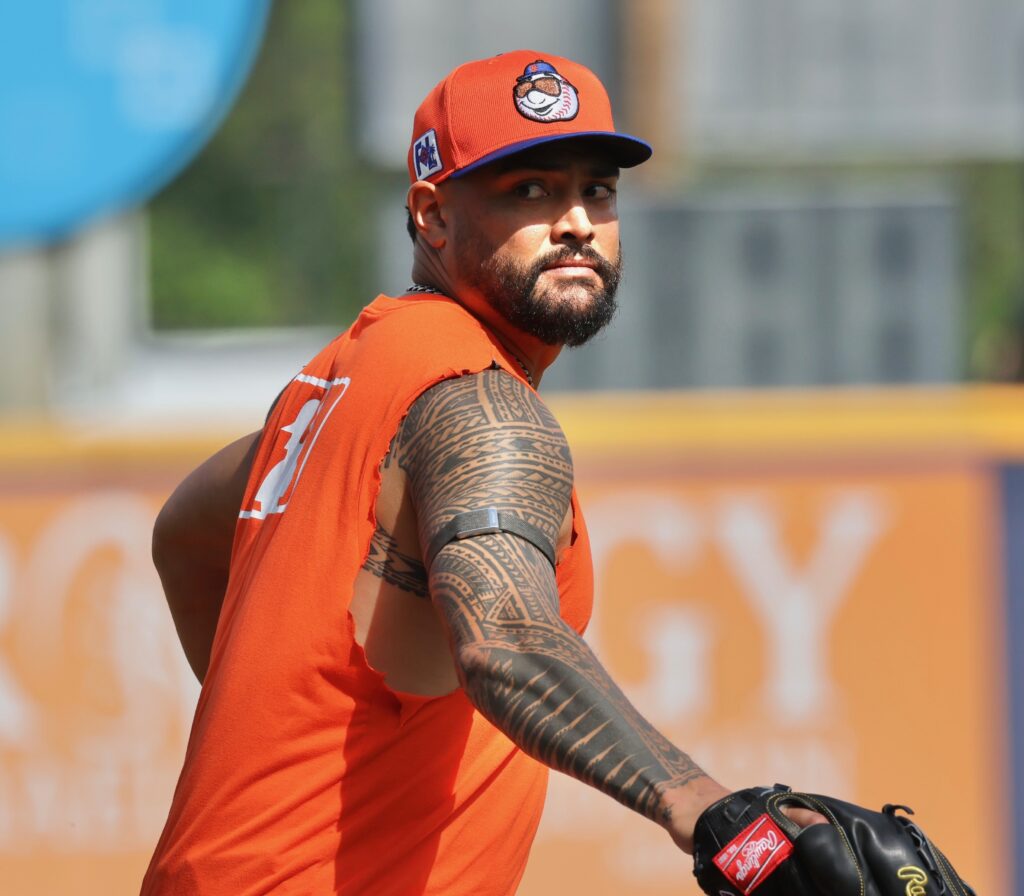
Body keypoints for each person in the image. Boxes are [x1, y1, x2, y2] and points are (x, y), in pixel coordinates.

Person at [141, 50, 820, 895]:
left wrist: (289, 727)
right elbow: (509, 644)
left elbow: (182, 534)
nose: (576, 222)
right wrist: (715, 812)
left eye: (598, 190)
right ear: (431, 215)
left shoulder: (344, 380)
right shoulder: (478, 404)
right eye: (529, 190)